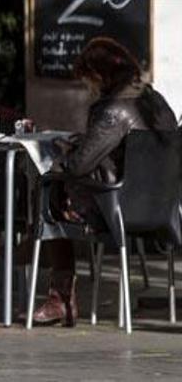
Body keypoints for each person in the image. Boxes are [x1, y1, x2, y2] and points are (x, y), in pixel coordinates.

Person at [29, 37, 177, 326]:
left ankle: (60, 298)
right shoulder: (155, 100)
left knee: (47, 193)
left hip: (115, 209)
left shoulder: (111, 109)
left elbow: (78, 166)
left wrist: (64, 149)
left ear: (98, 75)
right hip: (164, 207)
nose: (88, 89)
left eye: (87, 81)